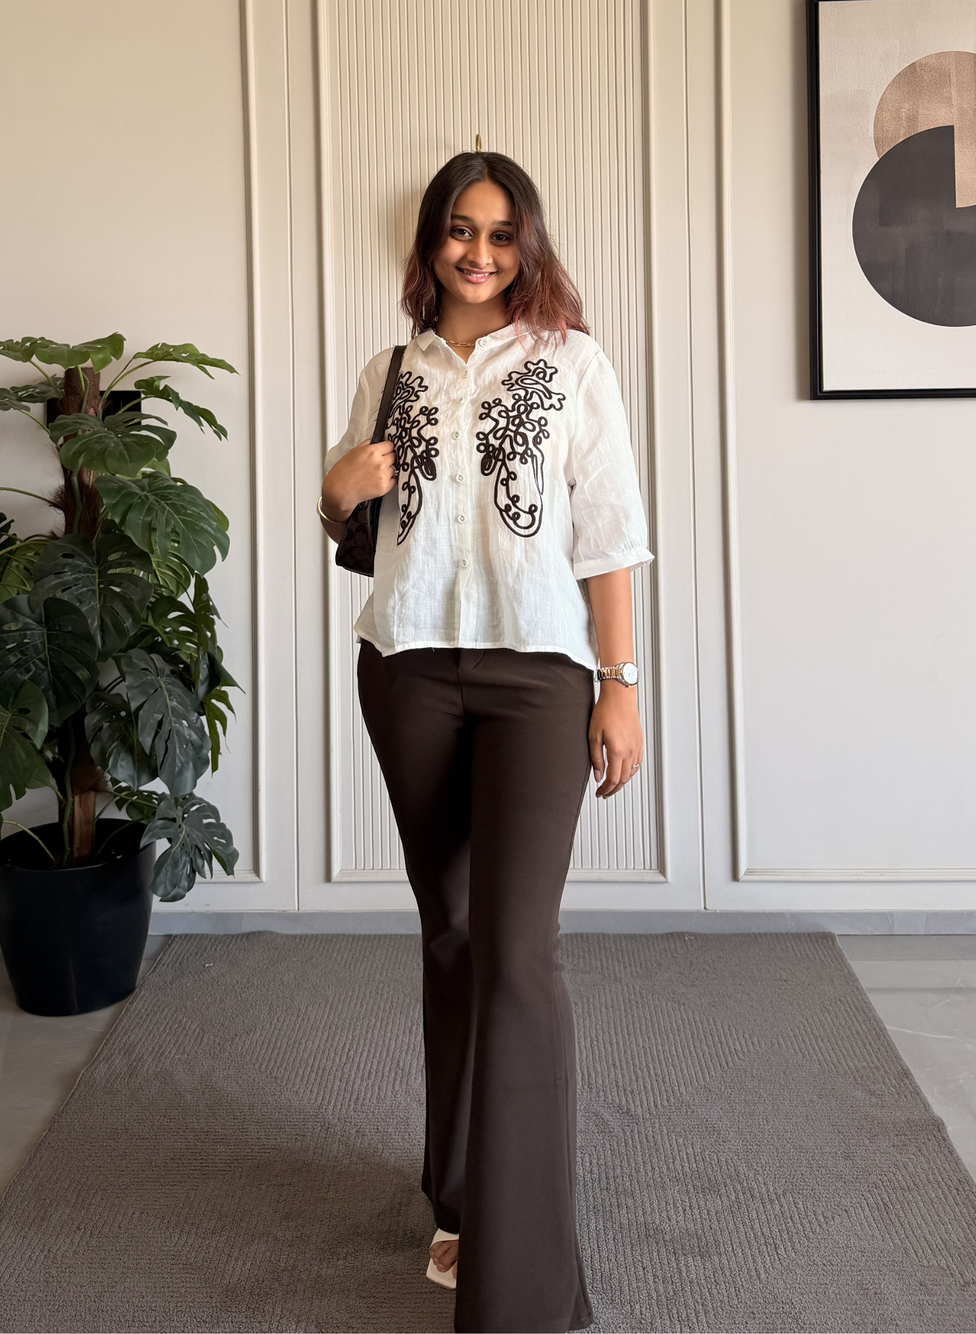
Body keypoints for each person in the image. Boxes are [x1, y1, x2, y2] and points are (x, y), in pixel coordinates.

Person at [318, 150, 653, 1334]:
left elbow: (608, 532)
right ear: (430, 242)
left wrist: (619, 685)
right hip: (407, 669)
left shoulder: (572, 365)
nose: (479, 252)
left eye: (502, 234)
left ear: (528, 245)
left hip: (537, 678)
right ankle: (459, 1193)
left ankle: (525, 1279)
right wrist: (335, 484)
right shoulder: (388, 371)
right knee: (454, 932)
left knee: (519, 953)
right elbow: (356, 529)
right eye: (460, 230)